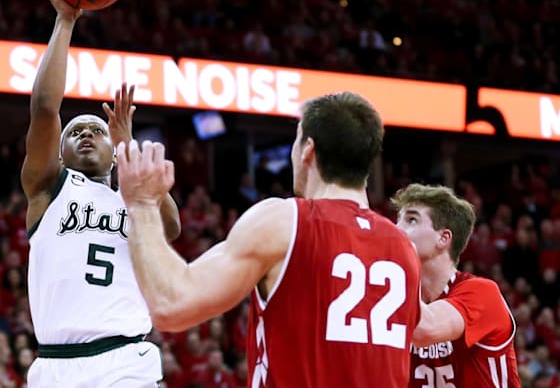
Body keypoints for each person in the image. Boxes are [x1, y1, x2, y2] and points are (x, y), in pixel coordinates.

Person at [117, 92, 422, 387]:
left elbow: (172, 305)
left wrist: (142, 204)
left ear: (308, 150)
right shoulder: (404, 246)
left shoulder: (285, 222)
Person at [21, 0, 181, 386]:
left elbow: (172, 228)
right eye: (76, 132)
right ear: (59, 156)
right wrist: (65, 20)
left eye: (97, 129)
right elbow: (43, 109)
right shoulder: (48, 188)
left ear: (114, 152)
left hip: (125, 359)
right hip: (55, 365)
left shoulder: (135, 196)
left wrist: (129, 148)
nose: (88, 134)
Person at [392, 184, 521, 387]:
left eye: (411, 220)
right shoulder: (400, 296)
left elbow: (423, 329)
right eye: (397, 220)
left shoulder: (483, 293)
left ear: (443, 238)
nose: (396, 228)